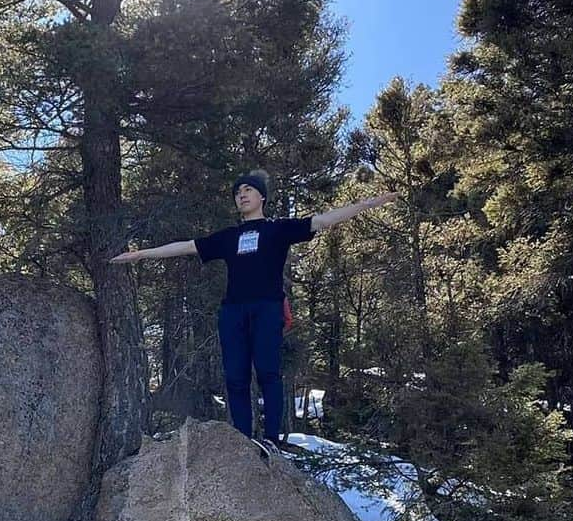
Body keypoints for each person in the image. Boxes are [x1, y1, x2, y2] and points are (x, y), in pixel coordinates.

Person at [109, 169, 397, 452]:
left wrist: (368, 204)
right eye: (237, 192)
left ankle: (271, 440)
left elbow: (323, 220)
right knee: (235, 377)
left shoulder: (278, 229)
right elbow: (187, 246)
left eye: (247, 190)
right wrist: (142, 253)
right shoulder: (228, 237)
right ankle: (242, 441)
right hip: (233, 312)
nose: (241, 195)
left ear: (262, 197)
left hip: (267, 308)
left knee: (269, 373)